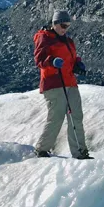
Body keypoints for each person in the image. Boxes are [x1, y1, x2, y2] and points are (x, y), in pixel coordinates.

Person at [33, 10, 92, 159]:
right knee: (56, 117)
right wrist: (52, 61)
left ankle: (80, 152)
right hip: (54, 83)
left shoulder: (67, 40)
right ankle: (41, 149)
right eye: (63, 25)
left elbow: (70, 59)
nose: (65, 29)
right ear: (55, 24)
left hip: (70, 82)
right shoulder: (44, 37)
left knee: (76, 117)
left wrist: (77, 64)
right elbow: (39, 59)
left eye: (68, 26)